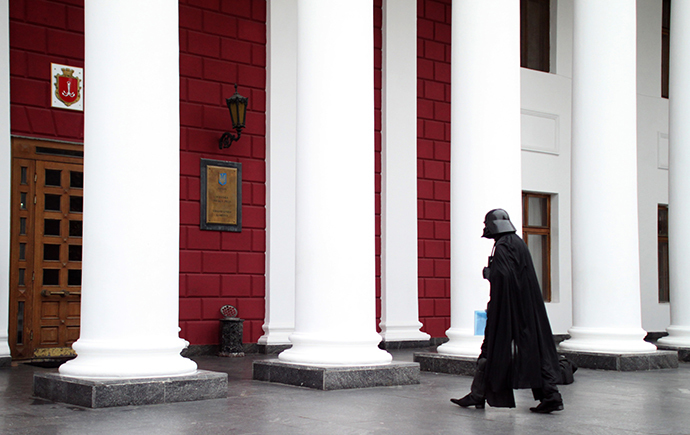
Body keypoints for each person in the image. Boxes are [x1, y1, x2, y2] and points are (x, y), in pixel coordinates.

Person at [450, 209, 564, 414]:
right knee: (532, 351)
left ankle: (478, 395)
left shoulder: (504, 246)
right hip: (524, 310)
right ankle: (550, 395)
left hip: (509, 311)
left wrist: (489, 274)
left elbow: (504, 277)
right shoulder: (517, 243)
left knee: (491, 348)